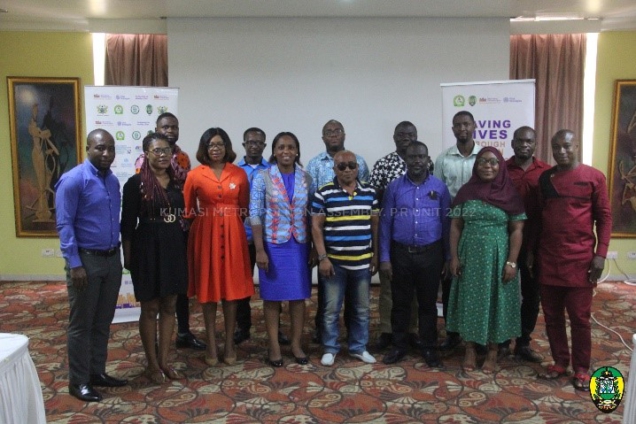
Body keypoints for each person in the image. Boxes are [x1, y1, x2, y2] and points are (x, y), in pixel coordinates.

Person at [531, 130, 611, 391]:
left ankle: (581, 369)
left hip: (580, 260)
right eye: (556, 147)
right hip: (549, 258)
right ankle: (559, 362)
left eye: (566, 146)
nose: (561, 151)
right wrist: (532, 252)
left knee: (579, 318)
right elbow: (540, 217)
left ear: (577, 146)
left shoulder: (594, 177)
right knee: (552, 316)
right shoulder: (546, 178)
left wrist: (601, 254)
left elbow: (604, 218)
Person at [55, 129, 127, 402]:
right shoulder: (73, 180)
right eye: (100, 148)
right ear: (87, 149)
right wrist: (74, 264)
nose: (106, 153)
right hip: (85, 262)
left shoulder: (113, 181)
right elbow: (64, 224)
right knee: (81, 325)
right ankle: (79, 381)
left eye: (111, 148)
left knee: (102, 322)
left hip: (111, 260)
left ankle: (97, 372)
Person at [447, 146, 526, 373]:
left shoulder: (509, 193)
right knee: (470, 300)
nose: (487, 166)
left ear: (500, 166)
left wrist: (511, 262)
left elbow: (517, 230)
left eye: (493, 162)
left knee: (496, 301)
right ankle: (470, 349)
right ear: (476, 165)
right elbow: (456, 225)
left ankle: (493, 351)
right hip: (469, 256)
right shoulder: (466, 192)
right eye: (482, 161)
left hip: (498, 257)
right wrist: (454, 256)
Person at [134, 112, 206, 351]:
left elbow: (186, 190)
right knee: (156, 293)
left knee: (179, 287)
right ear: (157, 129)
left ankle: (183, 331)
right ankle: (153, 343)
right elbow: (146, 196)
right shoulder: (143, 160)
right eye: (165, 127)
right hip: (154, 233)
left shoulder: (183, 157)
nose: (170, 131)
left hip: (180, 230)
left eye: (174, 127)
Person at [184, 127, 255, 366]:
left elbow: (244, 207)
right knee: (208, 289)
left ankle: (230, 344)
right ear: (204, 148)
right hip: (205, 235)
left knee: (231, 289)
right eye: (211, 145)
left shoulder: (239, 173)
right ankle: (212, 345)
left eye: (220, 144)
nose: (216, 149)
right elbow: (188, 210)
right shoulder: (194, 175)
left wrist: (230, 219)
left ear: (227, 147)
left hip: (234, 234)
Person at [121, 133, 188, 384]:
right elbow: (127, 225)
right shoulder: (135, 183)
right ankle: (151, 365)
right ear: (146, 154)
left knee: (170, 305)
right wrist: (128, 258)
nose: (162, 155)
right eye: (157, 150)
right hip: (147, 246)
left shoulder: (177, 182)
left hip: (174, 245)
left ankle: (164, 361)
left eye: (166, 150)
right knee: (150, 308)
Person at [379, 141, 450, 367]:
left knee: (428, 304)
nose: (417, 161)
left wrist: (448, 257)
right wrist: (384, 258)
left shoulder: (440, 188)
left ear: (428, 159)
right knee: (401, 303)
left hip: (431, 254)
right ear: (406, 160)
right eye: (412, 157)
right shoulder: (394, 188)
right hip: (401, 254)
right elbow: (385, 223)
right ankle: (399, 346)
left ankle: (429, 347)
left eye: (421, 156)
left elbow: (446, 223)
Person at [250, 132, 315, 367]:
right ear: (274, 151)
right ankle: (274, 346)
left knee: (298, 297)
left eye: (290, 147)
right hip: (273, 245)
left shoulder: (306, 178)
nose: (285, 151)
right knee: (272, 298)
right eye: (281, 147)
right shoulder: (262, 177)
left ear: (297, 151)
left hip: (299, 245)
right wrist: (260, 249)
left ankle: (296, 344)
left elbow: (312, 214)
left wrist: (314, 247)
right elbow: (255, 214)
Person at [311, 150, 379, 366]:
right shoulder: (323, 193)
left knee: (361, 309)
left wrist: (376, 255)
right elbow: (316, 227)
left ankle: (358, 347)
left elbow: (375, 226)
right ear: (334, 169)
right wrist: (323, 257)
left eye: (351, 165)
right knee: (331, 310)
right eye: (342, 166)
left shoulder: (370, 192)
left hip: (362, 262)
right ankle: (330, 348)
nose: (347, 169)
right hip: (334, 263)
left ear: (358, 168)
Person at [306, 119, 370, 344]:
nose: (333, 134)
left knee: (356, 300)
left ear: (344, 135)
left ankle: (354, 337)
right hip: (328, 243)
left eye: (337, 131)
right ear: (323, 137)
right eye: (328, 132)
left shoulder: (359, 160)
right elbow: (311, 207)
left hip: (356, 244)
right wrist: (316, 249)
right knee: (328, 297)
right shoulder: (314, 164)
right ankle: (324, 336)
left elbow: (365, 199)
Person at [370, 121, 422, 351]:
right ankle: (387, 330)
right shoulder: (383, 164)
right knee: (389, 286)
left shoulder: (425, 162)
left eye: (410, 134)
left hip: (417, 235)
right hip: (389, 234)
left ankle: (412, 330)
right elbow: (373, 199)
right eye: (401, 134)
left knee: (414, 287)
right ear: (394, 138)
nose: (405, 137)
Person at [234, 127, 290, 346]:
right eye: (250, 142)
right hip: (241, 236)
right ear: (244, 145)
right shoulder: (235, 170)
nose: (254, 146)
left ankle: (277, 329)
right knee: (241, 285)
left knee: (276, 284)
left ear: (265, 146)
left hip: (269, 237)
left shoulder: (274, 171)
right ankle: (243, 326)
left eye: (259, 143)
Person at [500, 126, 551, 362]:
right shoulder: (501, 169)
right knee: (503, 292)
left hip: (535, 242)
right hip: (505, 241)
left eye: (529, 141)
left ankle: (523, 342)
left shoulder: (546, 172)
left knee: (531, 294)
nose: (524, 145)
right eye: (520, 141)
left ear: (535, 144)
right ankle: (501, 340)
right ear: (512, 143)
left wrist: (534, 247)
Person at [434, 110, 483, 353]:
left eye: (466, 124)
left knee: (477, 280)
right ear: (453, 129)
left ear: (474, 126)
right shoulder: (443, 159)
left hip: (478, 226)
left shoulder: (484, 157)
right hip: (450, 224)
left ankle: (479, 334)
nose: (462, 128)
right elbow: (437, 193)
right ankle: (452, 333)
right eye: (458, 125)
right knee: (450, 280)